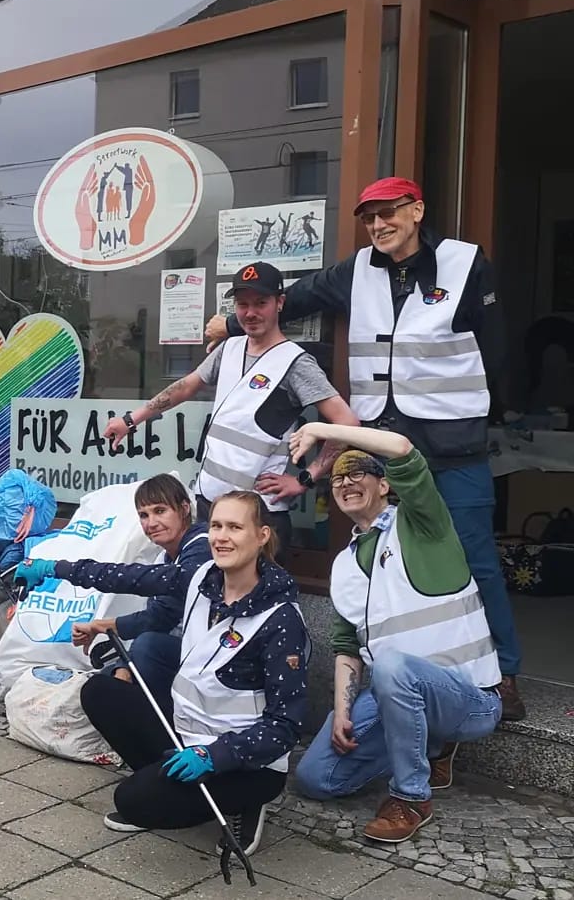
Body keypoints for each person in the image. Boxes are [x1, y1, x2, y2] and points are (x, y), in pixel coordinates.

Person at [204, 177, 524, 719]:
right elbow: (295, 297)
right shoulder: (357, 271)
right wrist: (235, 322)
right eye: (370, 217)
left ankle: (503, 674)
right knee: (383, 557)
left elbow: (495, 349)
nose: (378, 225)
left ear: (417, 211)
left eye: (389, 212)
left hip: (453, 444)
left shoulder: (465, 264)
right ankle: (397, 669)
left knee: (476, 559)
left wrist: (496, 411)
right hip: (381, 446)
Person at [15, 491, 307, 857]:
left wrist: (215, 756)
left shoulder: (280, 620)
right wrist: (53, 568)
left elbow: (285, 726)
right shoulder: (201, 579)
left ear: (262, 535)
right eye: (216, 526)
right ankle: (170, 786)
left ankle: (243, 803)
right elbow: (128, 577)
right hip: (189, 735)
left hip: (247, 762)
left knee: (132, 800)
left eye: (235, 527)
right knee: (99, 691)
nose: (221, 537)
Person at [289, 421, 504, 843]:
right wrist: (342, 712)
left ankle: (411, 797)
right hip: (397, 694)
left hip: (471, 698)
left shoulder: (422, 523)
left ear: (385, 485)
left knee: (391, 667)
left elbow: (402, 448)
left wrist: (319, 427)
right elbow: (346, 647)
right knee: (316, 778)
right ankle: (428, 746)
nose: (345, 482)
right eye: (337, 479)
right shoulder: (343, 565)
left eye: (357, 473)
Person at [105, 262, 358, 549]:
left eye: (260, 303)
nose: (250, 313)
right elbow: (186, 386)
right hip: (210, 504)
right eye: (242, 304)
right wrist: (131, 420)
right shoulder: (229, 348)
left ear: (280, 303)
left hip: (256, 516)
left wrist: (304, 479)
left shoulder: (295, 363)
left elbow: (347, 424)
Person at [73, 473, 210, 719]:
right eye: (144, 515)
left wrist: (100, 626)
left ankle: (171, 727)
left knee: (148, 647)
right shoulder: (164, 556)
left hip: (214, 658)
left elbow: (162, 617)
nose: (151, 523)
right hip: (184, 652)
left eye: (160, 511)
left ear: (184, 508)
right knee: (101, 686)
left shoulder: (201, 547)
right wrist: (123, 665)